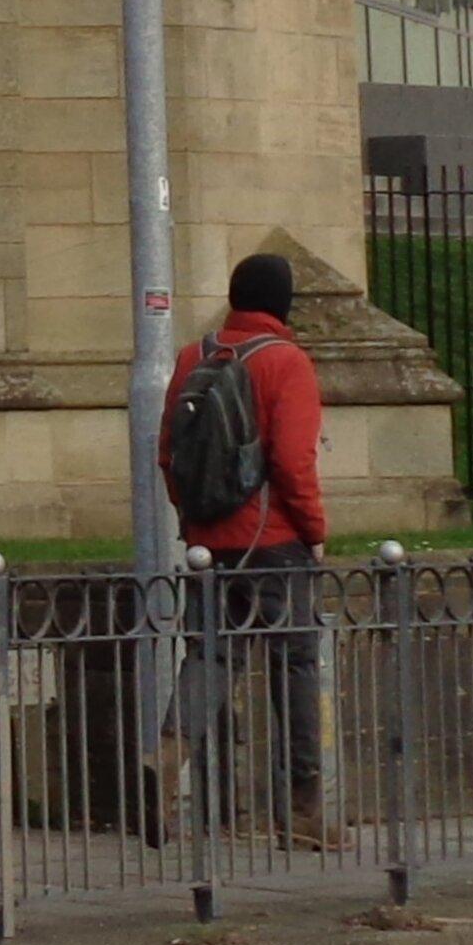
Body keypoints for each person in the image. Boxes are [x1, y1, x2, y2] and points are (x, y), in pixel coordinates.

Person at [162, 251, 328, 840]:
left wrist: (194, 523)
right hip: (274, 541)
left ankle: (167, 759)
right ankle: (303, 811)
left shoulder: (193, 357)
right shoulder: (287, 362)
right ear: (283, 303)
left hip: (210, 545)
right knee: (297, 665)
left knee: (209, 655)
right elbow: (291, 461)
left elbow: (169, 454)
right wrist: (314, 531)